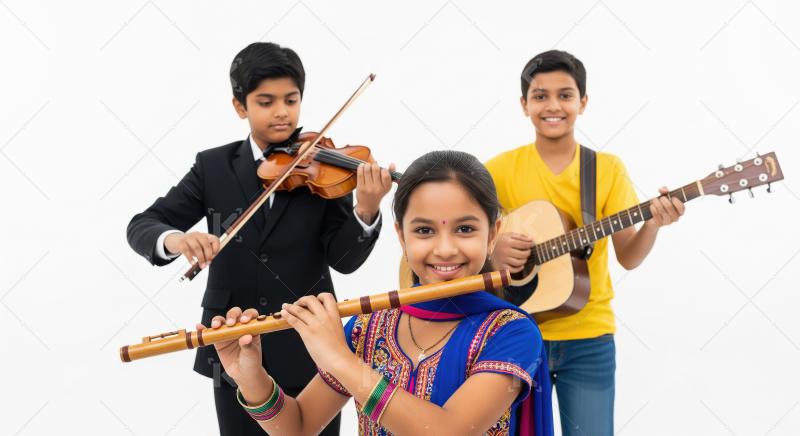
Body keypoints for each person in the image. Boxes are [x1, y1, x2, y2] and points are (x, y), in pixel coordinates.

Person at [126, 42, 393, 435]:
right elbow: (144, 223)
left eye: (291, 99)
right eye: (266, 101)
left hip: (312, 345)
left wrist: (366, 210)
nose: (282, 112)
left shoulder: (322, 161)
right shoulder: (213, 165)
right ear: (240, 106)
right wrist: (177, 239)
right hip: (232, 341)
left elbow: (345, 260)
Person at [198, 150, 554, 435]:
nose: (445, 249)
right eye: (425, 231)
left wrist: (340, 359)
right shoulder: (370, 327)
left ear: (493, 234)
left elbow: (446, 432)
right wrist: (251, 378)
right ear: (401, 236)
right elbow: (300, 427)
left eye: (464, 229)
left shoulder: (511, 332)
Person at [486, 50, 685, 435]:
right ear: (524, 105)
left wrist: (654, 225)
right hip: (515, 331)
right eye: (540, 96)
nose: (553, 105)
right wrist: (494, 252)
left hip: (590, 337)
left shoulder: (606, 169)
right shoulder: (498, 169)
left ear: (583, 102)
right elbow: (468, 236)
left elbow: (628, 256)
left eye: (565, 94)